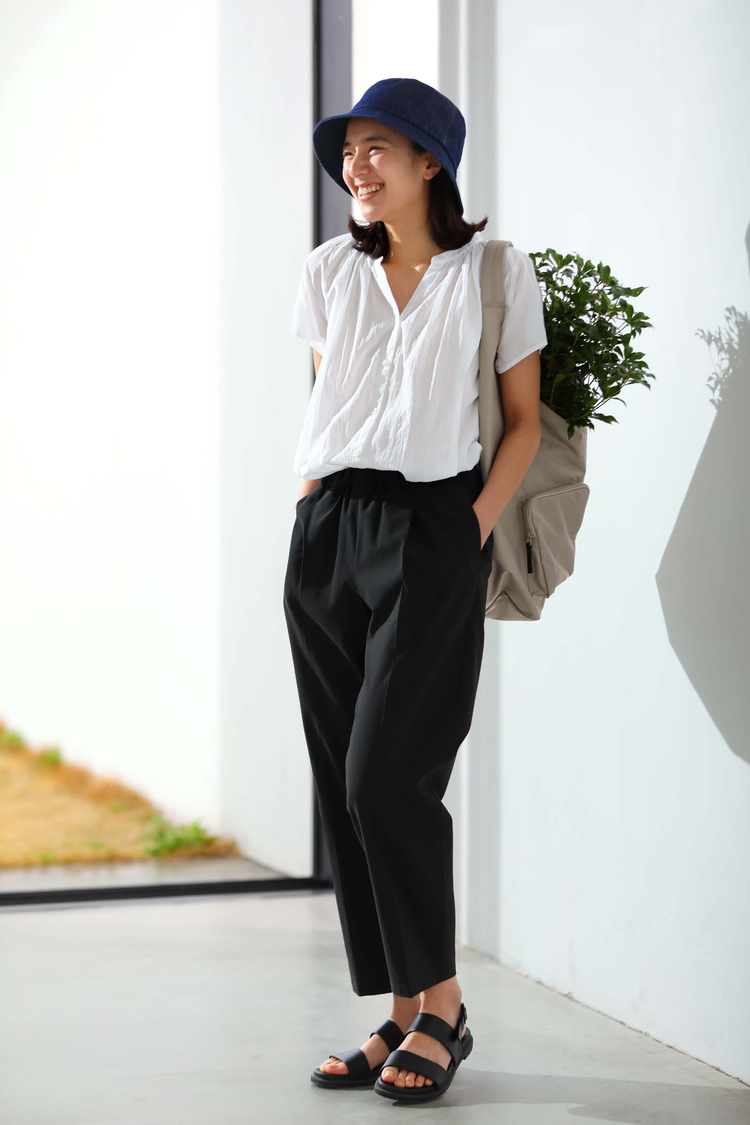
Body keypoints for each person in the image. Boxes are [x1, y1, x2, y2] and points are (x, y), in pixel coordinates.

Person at [283, 77, 547, 1103]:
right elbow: (332, 398)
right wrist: (311, 512)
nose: (356, 165)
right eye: (348, 150)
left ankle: (445, 1006)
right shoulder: (327, 271)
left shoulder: (494, 271)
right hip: (329, 530)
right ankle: (404, 1012)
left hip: (434, 526)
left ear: (431, 160)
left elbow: (522, 422)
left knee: (387, 776)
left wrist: (468, 530)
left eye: (377, 146)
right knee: (345, 782)